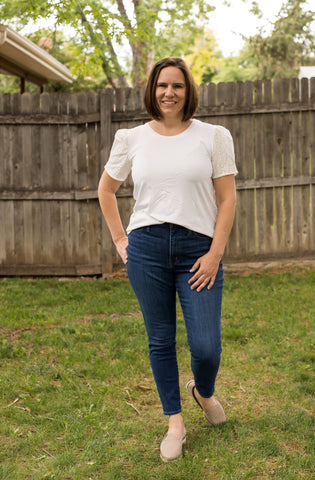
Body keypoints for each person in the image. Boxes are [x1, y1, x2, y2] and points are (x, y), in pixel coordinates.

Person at [98, 57, 238, 461]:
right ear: (152, 90)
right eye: (162, 85)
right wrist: (121, 240)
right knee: (160, 339)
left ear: (188, 90)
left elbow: (227, 199)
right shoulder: (131, 138)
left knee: (207, 346)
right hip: (148, 251)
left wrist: (215, 253)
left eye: (177, 85)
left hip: (199, 251)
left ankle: (202, 391)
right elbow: (106, 191)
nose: (169, 93)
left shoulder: (213, 136)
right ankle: (174, 422)